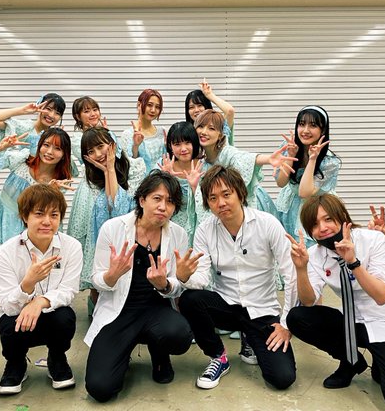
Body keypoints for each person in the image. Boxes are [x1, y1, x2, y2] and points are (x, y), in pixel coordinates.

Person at [287, 193, 385, 411]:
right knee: (297, 317)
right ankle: (351, 361)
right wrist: (301, 268)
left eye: (328, 219)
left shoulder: (373, 240)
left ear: (342, 216)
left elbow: (382, 296)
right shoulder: (315, 254)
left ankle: (382, 361)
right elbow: (309, 301)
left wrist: (353, 262)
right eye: (315, 224)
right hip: (352, 322)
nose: (323, 228)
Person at [177, 165, 296, 390]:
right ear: (207, 203)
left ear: (240, 193)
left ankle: (249, 338)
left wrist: (285, 324)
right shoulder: (205, 230)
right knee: (189, 299)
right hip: (227, 306)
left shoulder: (267, 224)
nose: (221, 203)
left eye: (226, 194)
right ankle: (218, 357)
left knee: (282, 378)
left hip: (261, 311)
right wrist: (183, 277)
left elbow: (291, 275)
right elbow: (201, 278)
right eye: (213, 198)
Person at [84, 170, 193, 402]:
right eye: (157, 198)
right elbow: (96, 278)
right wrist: (112, 276)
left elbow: (177, 286)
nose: (163, 207)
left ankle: (159, 353)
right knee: (100, 388)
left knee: (180, 335)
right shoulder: (113, 228)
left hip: (156, 310)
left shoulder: (178, 234)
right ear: (142, 200)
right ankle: (122, 354)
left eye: (170, 202)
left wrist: (165, 285)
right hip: (119, 312)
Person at [0, 184, 83, 395]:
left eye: (54, 215)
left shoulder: (72, 247)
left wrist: (39, 302)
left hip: (53, 315)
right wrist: (28, 283)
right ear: (25, 216)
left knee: (65, 317)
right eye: (39, 214)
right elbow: (8, 306)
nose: (47, 221)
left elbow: (69, 291)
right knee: (8, 323)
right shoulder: (5, 252)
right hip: (19, 317)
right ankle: (16, 363)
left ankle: (57, 358)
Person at [0, 128, 74, 296]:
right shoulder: (22, 160)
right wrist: (2, 147)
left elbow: (47, 210)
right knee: (4, 273)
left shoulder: (61, 180)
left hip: (33, 229)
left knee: (29, 271)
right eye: (46, 145)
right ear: (39, 145)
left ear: (64, 154)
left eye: (57, 148)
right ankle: (8, 308)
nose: (49, 152)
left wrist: (51, 191)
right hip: (1, 223)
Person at [66, 126, 146, 313]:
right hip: (98, 236)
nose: (97, 154)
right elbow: (109, 208)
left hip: (129, 231)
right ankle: (97, 308)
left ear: (113, 144)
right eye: (90, 151)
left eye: (100, 147)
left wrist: (110, 170)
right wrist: (107, 171)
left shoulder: (135, 167)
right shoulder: (90, 179)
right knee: (99, 278)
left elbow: (120, 208)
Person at [192, 109, 288, 226]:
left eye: (211, 128)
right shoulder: (200, 160)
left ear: (220, 135)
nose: (204, 132)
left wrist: (268, 159)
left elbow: (245, 157)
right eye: (201, 126)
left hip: (245, 203)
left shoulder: (227, 152)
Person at [275, 105, 341, 246]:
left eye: (313, 125)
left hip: (316, 208)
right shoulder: (290, 147)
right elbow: (281, 183)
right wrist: (290, 156)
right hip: (288, 204)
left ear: (323, 130)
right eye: (301, 124)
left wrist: (312, 159)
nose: (305, 130)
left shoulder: (330, 162)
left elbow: (304, 193)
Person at [157, 121, 205, 244]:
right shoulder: (163, 165)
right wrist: (166, 178)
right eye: (177, 144)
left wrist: (195, 187)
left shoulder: (205, 167)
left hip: (200, 230)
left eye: (187, 142)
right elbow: (154, 201)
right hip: (170, 230)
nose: (183, 149)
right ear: (170, 146)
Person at [0, 93, 66, 155]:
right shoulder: (23, 127)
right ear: (39, 106)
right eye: (48, 109)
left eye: (57, 113)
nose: (51, 115)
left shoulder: (55, 136)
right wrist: (23, 110)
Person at [120, 88, 166, 172]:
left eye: (157, 107)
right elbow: (127, 166)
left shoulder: (163, 132)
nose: (153, 110)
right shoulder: (127, 134)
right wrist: (136, 146)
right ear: (139, 105)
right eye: (149, 105)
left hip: (161, 179)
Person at [184, 79, 235, 145]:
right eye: (191, 107)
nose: (196, 110)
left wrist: (209, 95)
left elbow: (229, 111)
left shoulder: (218, 125)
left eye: (200, 105)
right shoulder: (187, 133)